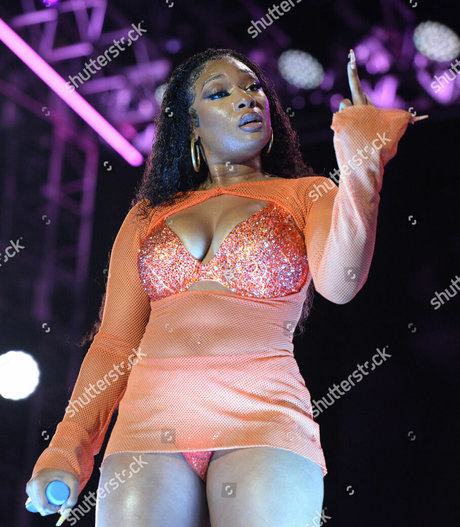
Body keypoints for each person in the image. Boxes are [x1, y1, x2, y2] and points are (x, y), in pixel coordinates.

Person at [26, 47, 421, 527]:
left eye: (254, 88)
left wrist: (362, 164)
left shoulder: (306, 193)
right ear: (192, 125)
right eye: (219, 93)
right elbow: (114, 344)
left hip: (263, 421)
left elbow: (341, 284)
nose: (246, 98)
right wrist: (66, 447)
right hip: (147, 428)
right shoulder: (146, 217)